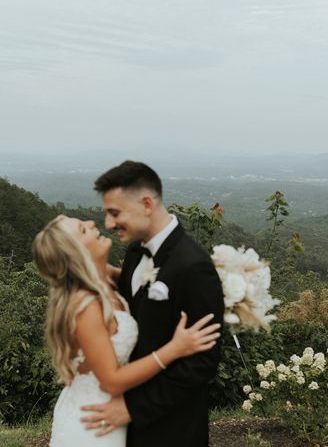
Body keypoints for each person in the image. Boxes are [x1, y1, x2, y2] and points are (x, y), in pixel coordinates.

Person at [32, 214, 221, 447]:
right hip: (94, 421)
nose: (92, 223)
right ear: (75, 255)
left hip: (115, 418)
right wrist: (174, 349)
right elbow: (111, 381)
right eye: (82, 230)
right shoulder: (87, 306)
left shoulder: (106, 280)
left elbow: (152, 281)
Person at [81, 161, 225, 447]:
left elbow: (201, 365)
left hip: (171, 430)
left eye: (114, 213)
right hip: (124, 422)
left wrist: (134, 408)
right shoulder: (136, 250)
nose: (108, 224)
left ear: (146, 204)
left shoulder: (194, 266)